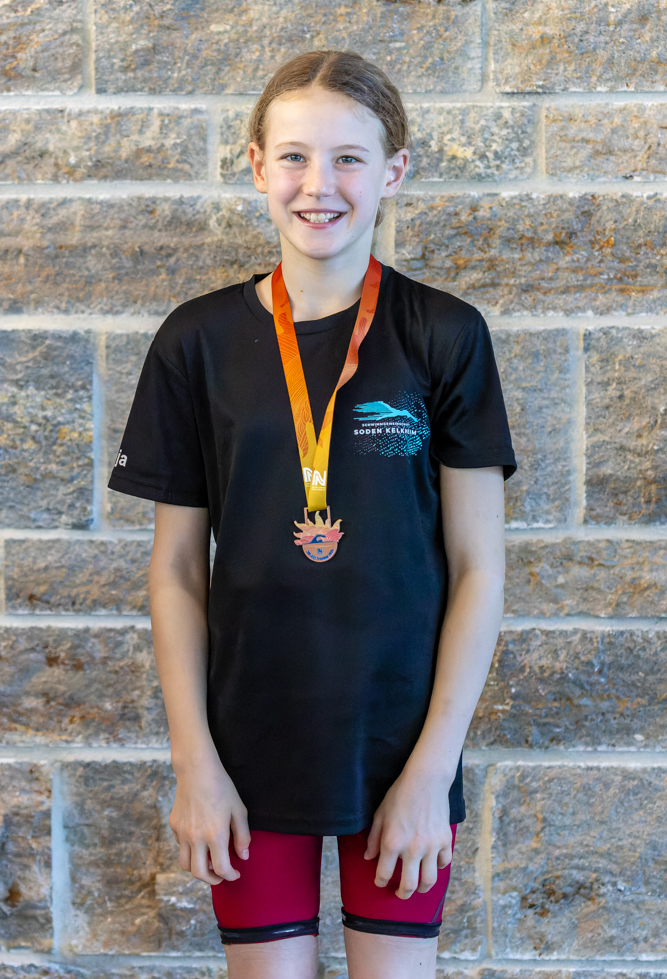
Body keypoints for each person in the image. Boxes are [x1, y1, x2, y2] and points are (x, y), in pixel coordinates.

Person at [108, 50, 516, 979]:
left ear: (393, 171)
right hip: (244, 752)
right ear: (257, 165)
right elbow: (175, 572)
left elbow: (479, 570)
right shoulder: (197, 340)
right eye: (293, 156)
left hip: (400, 750)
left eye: (347, 159)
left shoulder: (444, 335)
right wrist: (195, 766)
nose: (318, 185)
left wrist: (430, 772)